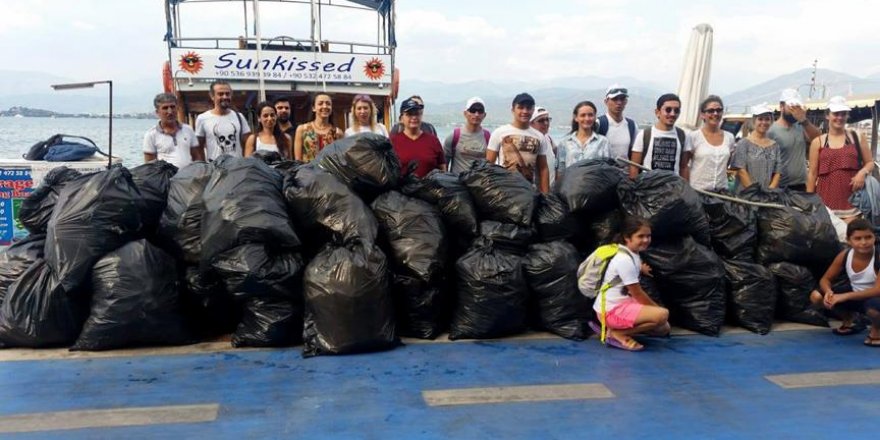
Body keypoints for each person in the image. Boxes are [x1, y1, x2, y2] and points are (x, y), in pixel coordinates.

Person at [587, 216, 670, 352]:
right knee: (662, 315)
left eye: (648, 236)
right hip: (610, 312)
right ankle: (618, 333)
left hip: (621, 305)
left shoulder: (629, 252)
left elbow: (628, 269)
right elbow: (637, 293)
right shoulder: (624, 260)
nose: (646, 240)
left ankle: (620, 330)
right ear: (627, 237)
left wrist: (641, 269)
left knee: (663, 329)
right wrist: (657, 310)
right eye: (640, 236)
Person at [809, 218, 880, 346]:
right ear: (848, 240)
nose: (864, 242)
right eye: (857, 238)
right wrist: (829, 292)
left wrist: (843, 296)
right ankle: (850, 320)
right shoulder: (845, 255)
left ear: (874, 237)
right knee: (816, 296)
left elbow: (877, 290)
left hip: (875, 299)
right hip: (857, 296)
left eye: (868, 237)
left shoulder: (878, 256)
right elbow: (825, 279)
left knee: (874, 310)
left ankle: (877, 330)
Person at [807, 96, 872, 221]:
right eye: (836, 114)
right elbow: (812, 174)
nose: (840, 117)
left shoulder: (857, 137)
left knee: (850, 238)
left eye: (843, 114)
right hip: (824, 202)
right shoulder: (818, 142)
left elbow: (869, 162)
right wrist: (809, 202)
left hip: (853, 202)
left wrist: (861, 173)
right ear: (827, 115)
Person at [486, 93, 551, 193]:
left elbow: (543, 168)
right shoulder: (499, 133)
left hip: (529, 192)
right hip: (504, 191)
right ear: (513, 110)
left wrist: (546, 196)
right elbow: (488, 166)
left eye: (528, 108)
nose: (525, 111)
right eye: (520, 108)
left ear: (533, 110)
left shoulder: (539, 137)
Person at [768, 88, 821, 191]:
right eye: (791, 106)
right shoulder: (771, 131)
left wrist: (804, 120)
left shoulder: (801, 126)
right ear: (781, 107)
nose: (795, 110)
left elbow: (819, 140)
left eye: (797, 106)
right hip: (780, 186)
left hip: (801, 184)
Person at [629, 93, 692, 179]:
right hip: (648, 187)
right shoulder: (644, 135)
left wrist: (685, 190)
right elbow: (634, 166)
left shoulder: (683, 136)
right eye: (668, 110)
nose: (672, 114)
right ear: (657, 112)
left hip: (673, 189)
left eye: (676, 110)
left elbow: (684, 167)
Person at [687, 95, 735, 191]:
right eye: (711, 111)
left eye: (719, 110)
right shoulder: (693, 137)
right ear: (702, 115)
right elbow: (684, 166)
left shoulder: (729, 137)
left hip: (721, 191)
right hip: (698, 191)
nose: (715, 113)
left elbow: (727, 162)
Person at [729, 104, 782, 191]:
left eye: (767, 119)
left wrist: (770, 191)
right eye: (760, 119)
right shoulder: (743, 143)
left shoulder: (775, 146)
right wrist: (754, 192)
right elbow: (740, 170)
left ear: (771, 121)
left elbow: (778, 171)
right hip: (746, 195)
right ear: (754, 121)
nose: (764, 122)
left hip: (767, 196)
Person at [194, 80, 251, 161]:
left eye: (227, 94)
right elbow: (198, 147)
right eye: (220, 94)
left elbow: (249, 143)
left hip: (237, 169)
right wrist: (204, 168)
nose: (225, 97)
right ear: (212, 96)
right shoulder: (202, 119)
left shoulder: (239, 117)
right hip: (214, 169)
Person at [389, 97, 446, 177]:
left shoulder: (433, 141)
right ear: (401, 118)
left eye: (417, 113)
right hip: (402, 189)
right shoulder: (393, 142)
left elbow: (442, 168)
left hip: (429, 188)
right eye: (409, 114)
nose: (414, 117)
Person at [556, 100, 611, 182]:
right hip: (570, 190)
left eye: (590, 115)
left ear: (595, 117)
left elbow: (607, 170)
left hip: (595, 189)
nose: (587, 118)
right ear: (576, 118)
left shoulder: (603, 142)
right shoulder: (565, 142)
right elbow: (560, 171)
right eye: (583, 115)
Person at [142, 93, 200, 169]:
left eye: (172, 107)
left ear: (177, 108)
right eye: (165, 108)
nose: (170, 111)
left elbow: (196, 157)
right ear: (157, 112)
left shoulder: (188, 130)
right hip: (166, 179)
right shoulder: (151, 135)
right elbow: (149, 166)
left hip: (189, 178)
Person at [443, 97, 490, 174]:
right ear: (465, 113)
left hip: (480, 184)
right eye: (473, 110)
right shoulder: (453, 137)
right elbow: (444, 165)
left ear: (484, 115)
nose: (476, 114)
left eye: (480, 111)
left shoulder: (488, 138)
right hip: (457, 183)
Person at [294, 93, 343, 162]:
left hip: (328, 172)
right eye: (320, 103)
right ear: (313, 108)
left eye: (328, 104)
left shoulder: (337, 132)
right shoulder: (302, 129)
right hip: (307, 171)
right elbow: (297, 160)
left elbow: (339, 159)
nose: (325, 106)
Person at [597, 84, 638, 163]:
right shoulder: (599, 123)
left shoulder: (631, 125)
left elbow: (634, 152)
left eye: (622, 99)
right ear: (606, 101)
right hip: (603, 172)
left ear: (626, 102)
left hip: (625, 173)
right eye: (615, 99)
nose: (619, 103)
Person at [529, 106, 558, 188]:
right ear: (531, 123)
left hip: (551, 192)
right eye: (541, 121)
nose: (546, 123)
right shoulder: (529, 142)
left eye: (547, 119)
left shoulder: (549, 139)